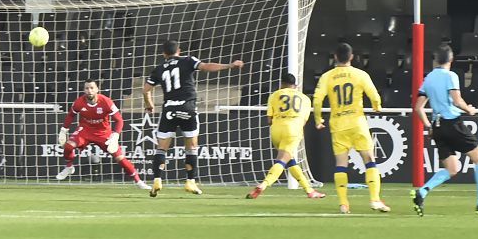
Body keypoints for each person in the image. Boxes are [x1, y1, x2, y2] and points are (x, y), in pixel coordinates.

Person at [142, 40, 244, 197]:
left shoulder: (159, 69)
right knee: (191, 147)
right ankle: (190, 182)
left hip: (169, 109)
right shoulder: (188, 60)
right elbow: (206, 67)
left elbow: (146, 90)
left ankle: (157, 180)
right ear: (179, 51)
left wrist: (149, 105)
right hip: (187, 107)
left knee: (161, 148)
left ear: (164, 54)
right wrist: (229, 65)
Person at [411, 44, 478, 216]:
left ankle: (422, 191)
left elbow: (418, 108)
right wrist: (469, 109)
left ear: (436, 60)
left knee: (452, 168)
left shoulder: (428, 78)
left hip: (437, 126)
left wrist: (429, 126)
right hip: (452, 123)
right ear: (451, 60)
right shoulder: (450, 76)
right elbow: (456, 100)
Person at [313, 43, 390, 214]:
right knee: (369, 159)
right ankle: (375, 200)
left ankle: (343, 204)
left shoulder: (327, 76)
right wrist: (377, 106)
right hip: (357, 123)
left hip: (338, 124)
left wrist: (318, 119)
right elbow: (374, 94)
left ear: (335, 57)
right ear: (352, 57)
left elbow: (317, 100)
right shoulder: (360, 74)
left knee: (341, 164)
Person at [55, 79, 149, 189]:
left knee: (119, 157)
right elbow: (71, 115)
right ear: (84, 90)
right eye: (87, 88)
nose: (89, 91)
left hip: (103, 133)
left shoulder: (106, 101)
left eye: (92, 88)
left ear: (97, 89)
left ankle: (138, 181)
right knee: (68, 145)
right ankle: (69, 167)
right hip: (85, 131)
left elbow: (119, 120)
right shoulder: (79, 102)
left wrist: (115, 135)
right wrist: (63, 130)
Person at [247, 71, 325, 200]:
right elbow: (304, 120)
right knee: (282, 160)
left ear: (282, 83)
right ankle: (263, 184)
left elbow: (269, 120)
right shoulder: (304, 98)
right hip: (293, 129)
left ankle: (309, 191)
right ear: (295, 85)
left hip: (276, 130)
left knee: (290, 161)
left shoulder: (274, 95)